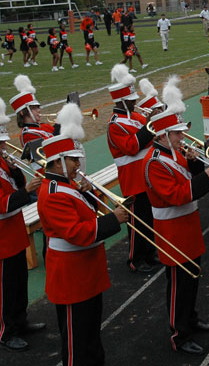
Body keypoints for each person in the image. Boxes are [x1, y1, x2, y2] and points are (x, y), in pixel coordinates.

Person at [37, 104, 128, 365]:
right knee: (77, 344)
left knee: (90, 336)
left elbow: (89, 214)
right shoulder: (53, 193)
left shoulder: (69, 185)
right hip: (71, 276)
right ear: (57, 162)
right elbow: (76, 232)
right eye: (73, 159)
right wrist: (115, 220)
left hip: (86, 271)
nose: (78, 163)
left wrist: (91, 192)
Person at [143, 77, 209, 354]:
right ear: (163, 136)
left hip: (187, 224)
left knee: (191, 277)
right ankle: (179, 334)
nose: (181, 136)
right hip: (172, 228)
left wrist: (197, 162)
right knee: (179, 282)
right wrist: (207, 176)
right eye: (176, 133)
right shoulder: (153, 162)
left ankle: (190, 319)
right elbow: (176, 195)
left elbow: (190, 179)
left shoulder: (174, 153)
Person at [0, 95, 44, 352]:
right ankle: (5, 331)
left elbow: (17, 187)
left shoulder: (1, 162)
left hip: (14, 230)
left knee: (19, 281)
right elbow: (2, 204)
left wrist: (16, 172)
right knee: (4, 287)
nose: (4, 147)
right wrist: (27, 190)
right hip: (0, 235)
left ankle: (21, 321)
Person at [107, 64, 159, 274]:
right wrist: (150, 125)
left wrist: (154, 121)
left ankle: (149, 253)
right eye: (131, 99)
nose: (135, 101)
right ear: (122, 100)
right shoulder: (115, 124)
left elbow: (149, 138)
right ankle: (135, 259)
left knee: (149, 218)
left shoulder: (135, 117)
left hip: (146, 175)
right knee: (138, 222)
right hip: (132, 179)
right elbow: (132, 146)